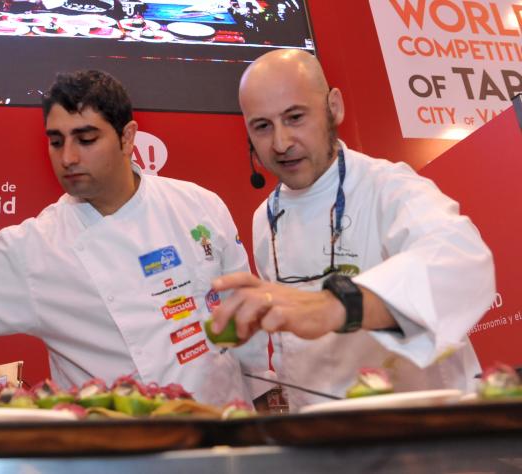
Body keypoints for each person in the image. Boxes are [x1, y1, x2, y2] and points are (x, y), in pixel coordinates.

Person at [0, 70, 253, 406]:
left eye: (86, 139)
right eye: (56, 141)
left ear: (127, 139)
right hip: (114, 455)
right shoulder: (35, 247)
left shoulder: (199, 206)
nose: (68, 157)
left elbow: (248, 321)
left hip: (226, 439)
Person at [210, 49, 495, 410]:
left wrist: (336, 305)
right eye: (262, 126)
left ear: (334, 107)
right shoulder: (263, 218)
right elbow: (289, 348)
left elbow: (461, 260)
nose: (280, 143)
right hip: (324, 438)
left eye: (295, 117)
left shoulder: (388, 186)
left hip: (421, 429)